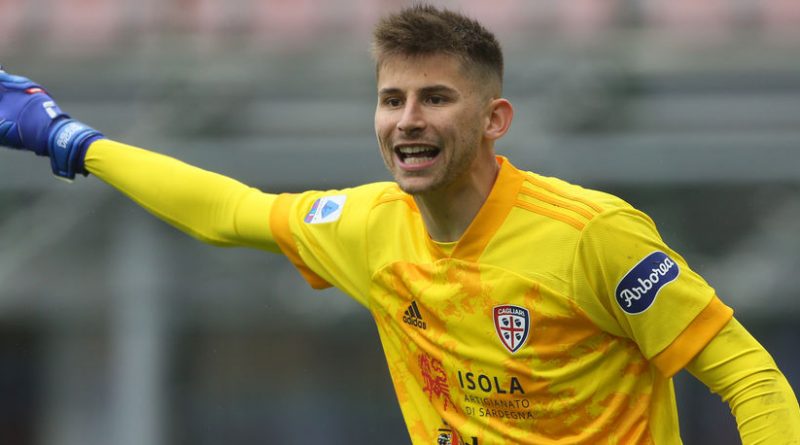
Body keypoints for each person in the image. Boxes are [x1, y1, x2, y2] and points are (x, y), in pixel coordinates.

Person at [1, 4, 798, 444]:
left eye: (435, 98)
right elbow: (230, 212)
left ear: (495, 119)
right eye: (392, 100)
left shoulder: (593, 235)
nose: (407, 120)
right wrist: (74, 141)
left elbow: (752, 379)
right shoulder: (366, 224)